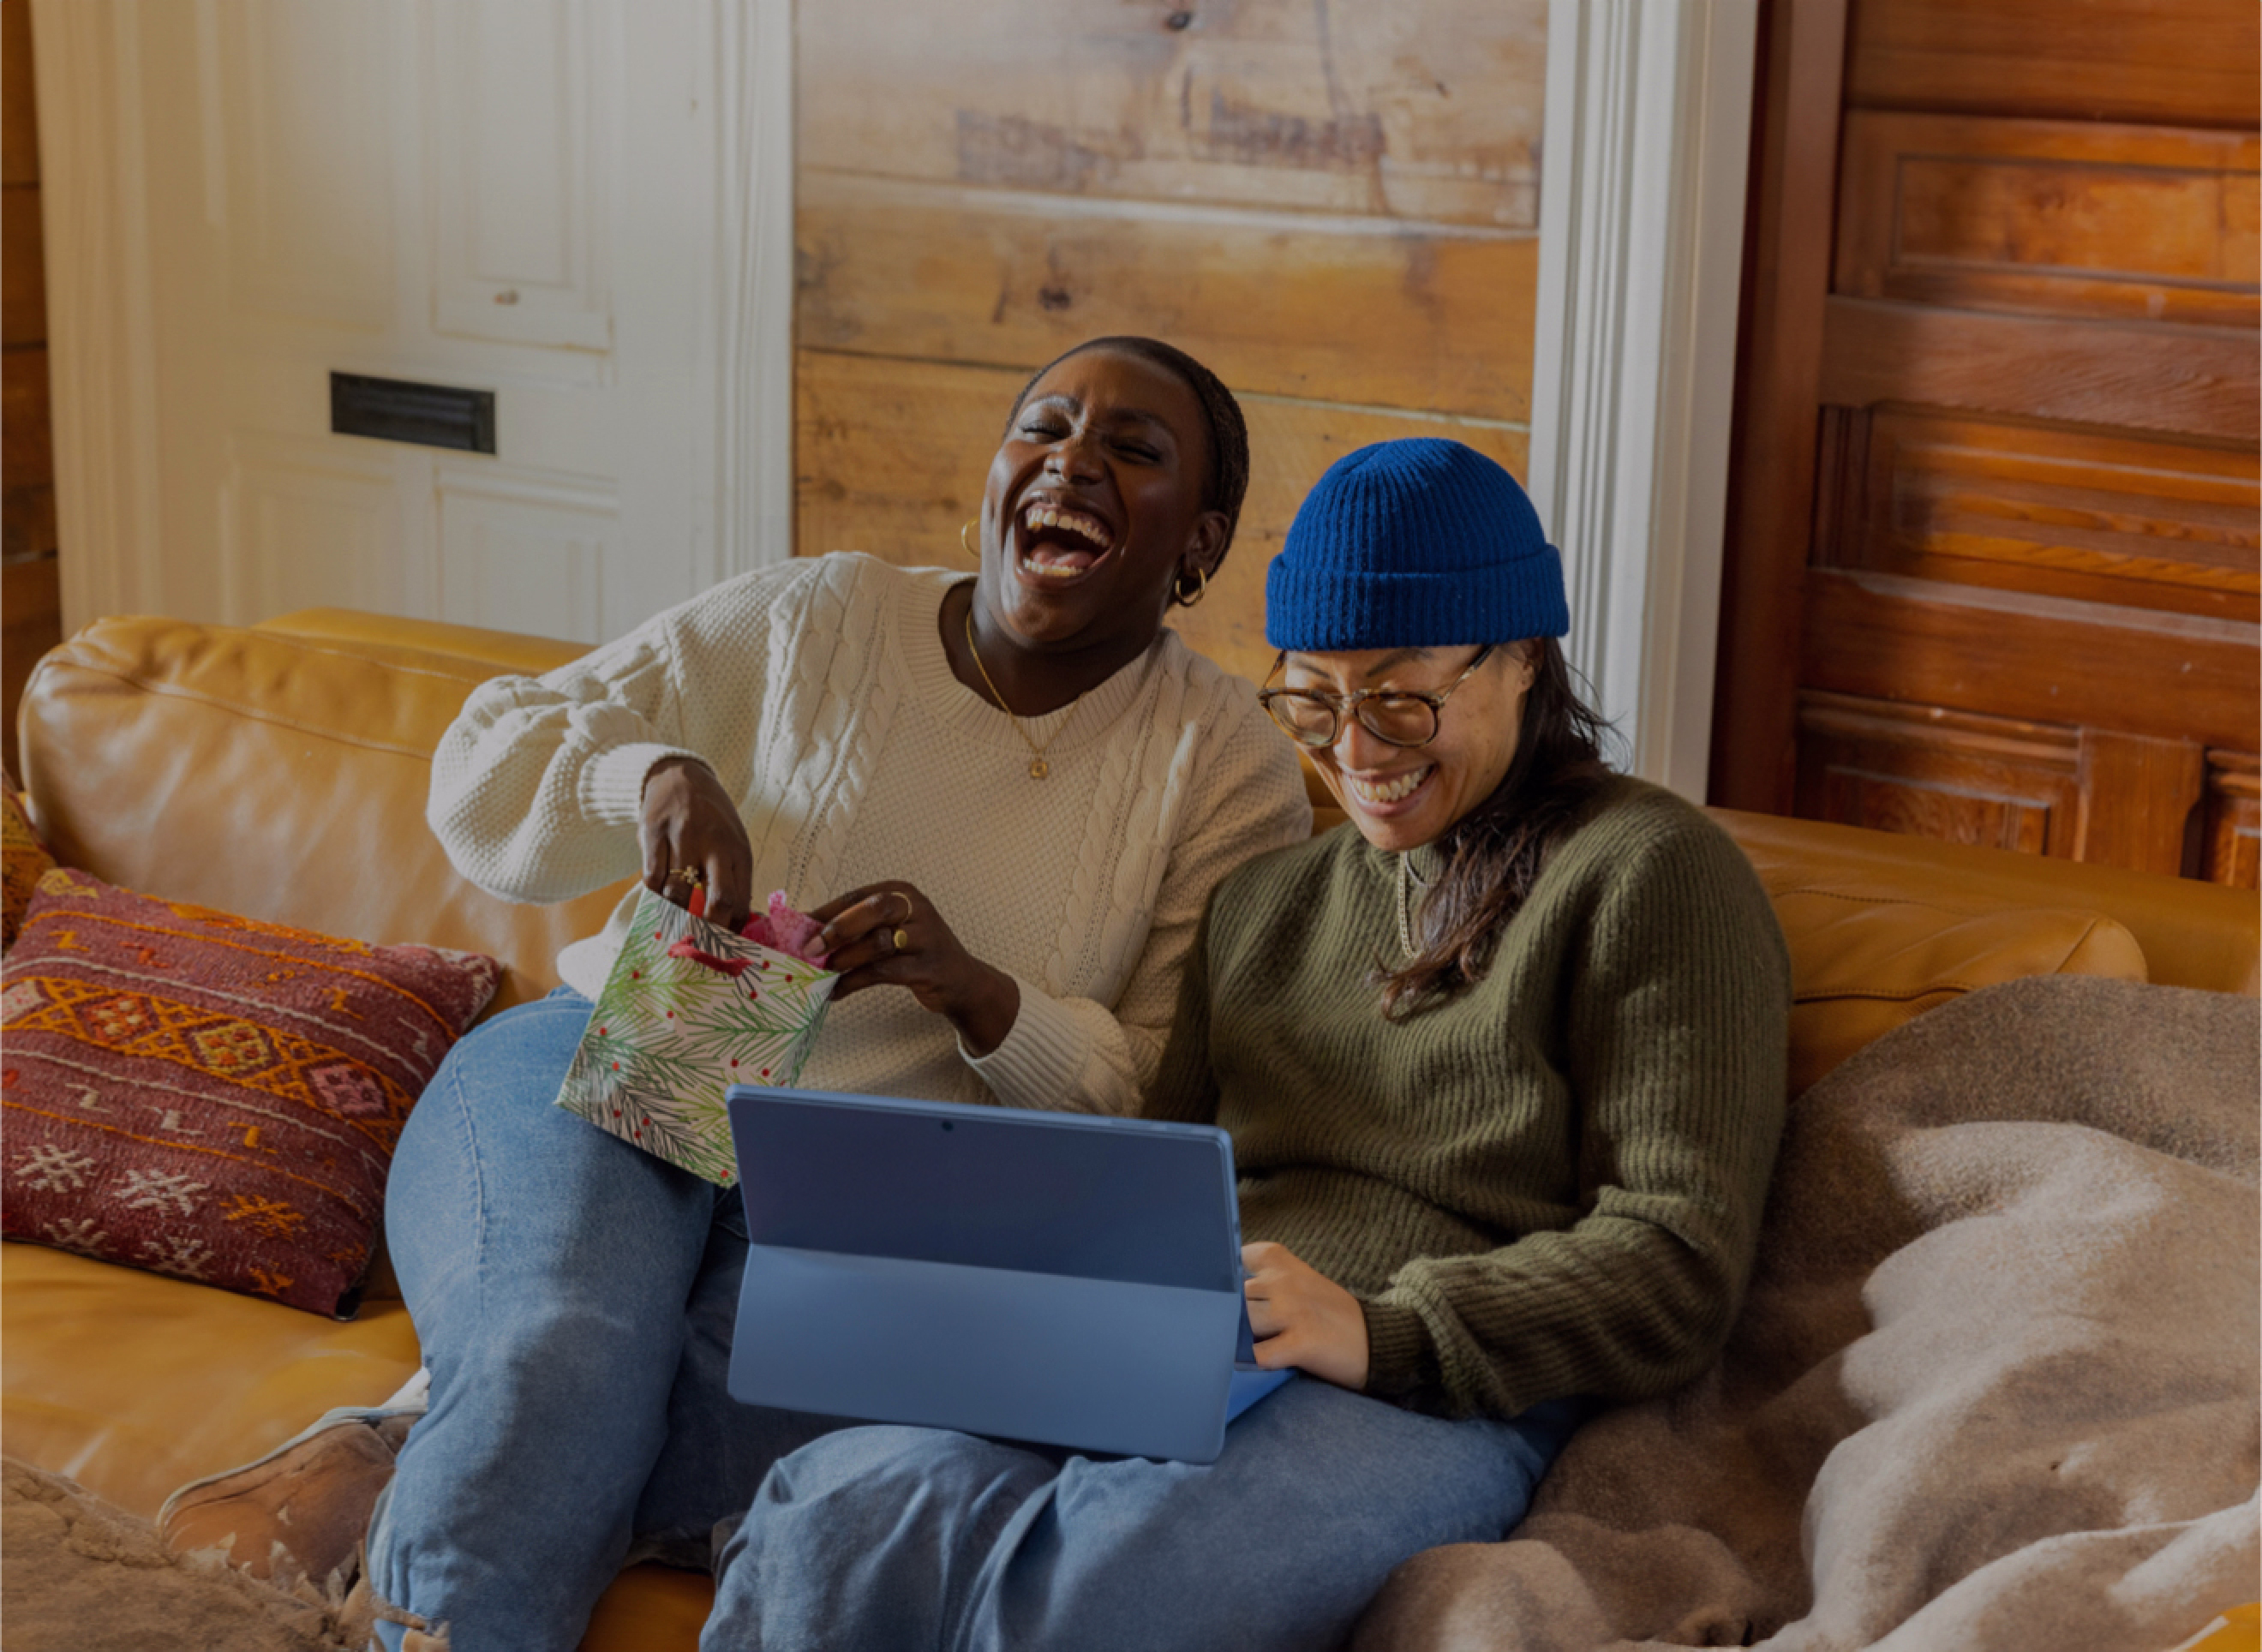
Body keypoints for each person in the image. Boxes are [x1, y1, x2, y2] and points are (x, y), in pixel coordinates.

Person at [159, 337, 1312, 1651]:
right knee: (561, 1345)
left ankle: (414, 1439)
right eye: (1043, 427)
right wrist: (649, 777)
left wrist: (988, 1002)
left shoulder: (1229, 770)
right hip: (632, 1053)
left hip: (888, 1196)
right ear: (992, 482)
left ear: (1199, 543)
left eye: (1133, 450)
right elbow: (484, 766)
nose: (1072, 462)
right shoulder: (821, 617)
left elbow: (1173, 1099)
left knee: (847, 1417)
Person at [688, 437, 1794, 1651]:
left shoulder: (1651, 873)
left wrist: (1382, 1330)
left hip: (1430, 1384)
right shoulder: (1262, 907)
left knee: (1105, 1589)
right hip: (1177, 1343)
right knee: (840, 1512)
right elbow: (1149, 1184)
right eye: (1314, 699)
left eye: (1402, 697)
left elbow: (1675, 1259)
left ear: (1524, 654)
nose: (1357, 753)